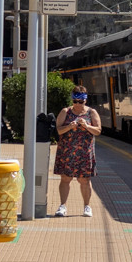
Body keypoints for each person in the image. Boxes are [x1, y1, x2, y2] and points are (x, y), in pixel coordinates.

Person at [53, 85, 101, 217]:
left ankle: (87, 206)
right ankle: (62, 206)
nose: (78, 104)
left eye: (81, 102)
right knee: (65, 178)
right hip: (67, 151)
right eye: (75, 101)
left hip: (84, 152)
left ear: (85, 100)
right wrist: (69, 126)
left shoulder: (91, 112)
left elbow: (98, 130)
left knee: (84, 180)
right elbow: (58, 130)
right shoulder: (65, 112)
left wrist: (87, 126)